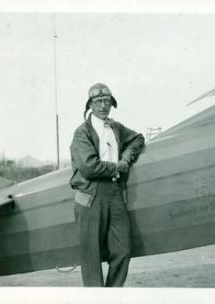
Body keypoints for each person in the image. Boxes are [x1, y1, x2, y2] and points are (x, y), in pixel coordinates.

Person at [69, 83, 145, 287]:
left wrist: (127, 156)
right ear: (90, 105)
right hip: (91, 196)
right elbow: (89, 167)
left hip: (114, 194)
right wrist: (117, 168)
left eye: (107, 101)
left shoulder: (115, 127)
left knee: (123, 250)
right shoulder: (82, 132)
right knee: (91, 257)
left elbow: (138, 139)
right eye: (98, 101)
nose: (103, 105)